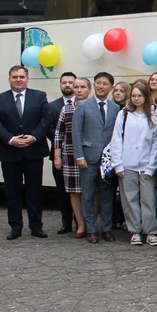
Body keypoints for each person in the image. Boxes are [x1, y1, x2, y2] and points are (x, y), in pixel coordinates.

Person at [0, 65, 52, 239]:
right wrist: (10, 139)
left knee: (34, 192)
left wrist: (34, 137)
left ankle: (36, 226)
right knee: (12, 192)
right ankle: (15, 227)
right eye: (15, 77)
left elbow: (46, 120)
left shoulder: (39, 96)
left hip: (34, 151)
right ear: (9, 79)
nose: (18, 80)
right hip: (10, 152)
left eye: (21, 77)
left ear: (27, 78)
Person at [71, 71, 121, 243]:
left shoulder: (115, 108)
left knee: (107, 195)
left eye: (104, 84)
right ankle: (91, 229)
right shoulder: (83, 105)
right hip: (88, 158)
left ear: (111, 87)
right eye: (98, 83)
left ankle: (106, 228)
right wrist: (79, 156)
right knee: (88, 195)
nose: (101, 86)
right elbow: (76, 132)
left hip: (108, 160)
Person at [110, 82, 157, 246]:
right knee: (129, 199)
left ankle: (151, 231)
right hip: (127, 164)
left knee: (148, 199)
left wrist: (151, 166)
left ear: (146, 96)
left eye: (140, 95)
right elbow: (116, 139)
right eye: (134, 96)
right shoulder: (124, 115)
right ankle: (135, 230)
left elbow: (155, 143)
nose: (137, 99)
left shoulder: (153, 115)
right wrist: (117, 164)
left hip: (146, 165)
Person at [53, 77, 91, 239]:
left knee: (91, 191)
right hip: (69, 154)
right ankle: (81, 224)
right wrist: (57, 156)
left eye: (83, 87)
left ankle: (91, 223)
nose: (79, 90)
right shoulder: (66, 109)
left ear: (89, 90)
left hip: (90, 155)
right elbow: (58, 133)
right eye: (76, 87)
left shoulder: (94, 107)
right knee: (74, 191)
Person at [46, 71, 77, 234]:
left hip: (78, 155)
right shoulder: (52, 106)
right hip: (59, 155)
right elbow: (50, 129)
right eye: (64, 82)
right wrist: (64, 144)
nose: (67, 85)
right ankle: (66, 223)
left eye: (70, 82)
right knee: (62, 190)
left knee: (78, 191)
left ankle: (80, 222)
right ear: (60, 85)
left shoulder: (82, 103)